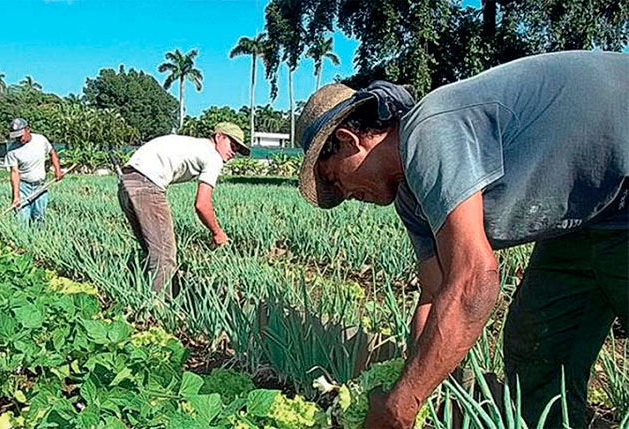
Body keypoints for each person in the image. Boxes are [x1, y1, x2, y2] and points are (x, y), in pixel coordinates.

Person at [295, 51, 627, 428]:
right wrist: (414, 378)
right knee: (537, 344)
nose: (345, 194)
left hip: (622, 175)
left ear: (349, 140)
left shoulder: (429, 131)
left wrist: (400, 407)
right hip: (591, 213)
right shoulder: (410, 199)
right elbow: (435, 294)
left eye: (336, 178)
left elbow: (474, 282)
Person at [118, 122, 250, 295]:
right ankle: (157, 311)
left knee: (152, 251)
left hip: (125, 183)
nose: (233, 153)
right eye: (232, 145)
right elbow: (202, 205)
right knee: (164, 256)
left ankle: (142, 296)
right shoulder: (213, 156)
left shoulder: (193, 144)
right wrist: (218, 233)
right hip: (147, 185)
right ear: (219, 137)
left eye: (237, 150)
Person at [4, 118, 63, 224]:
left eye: (20, 135)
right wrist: (16, 196)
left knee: (39, 217)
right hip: (23, 186)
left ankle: (39, 239)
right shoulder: (12, 150)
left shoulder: (41, 140)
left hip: (40, 185)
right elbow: (14, 173)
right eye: (16, 136)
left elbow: (52, 153)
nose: (19, 139)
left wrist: (57, 170)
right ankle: (22, 239)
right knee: (21, 218)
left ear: (28, 129)